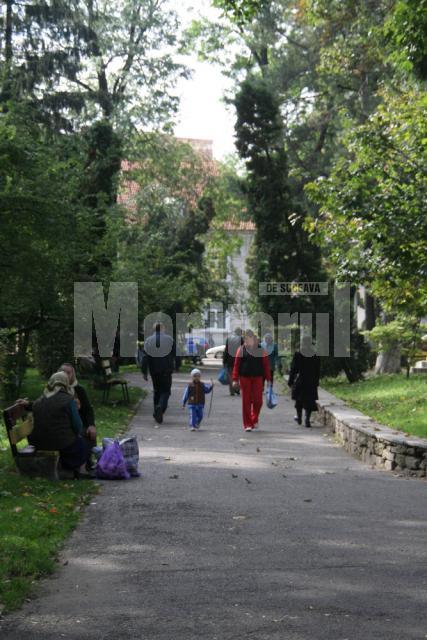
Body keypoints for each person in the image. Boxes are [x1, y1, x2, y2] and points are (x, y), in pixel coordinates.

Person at [28, 372, 89, 478]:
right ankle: (81, 471)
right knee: (81, 441)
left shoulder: (39, 400)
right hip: (62, 444)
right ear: (66, 383)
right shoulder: (68, 400)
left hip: (38, 443)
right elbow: (77, 426)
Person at [59, 363, 97, 468]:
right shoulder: (55, 389)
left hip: (79, 423)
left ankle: (88, 462)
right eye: (63, 372)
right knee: (78, 435)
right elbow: (43, 402)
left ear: (73, 375)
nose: (66, 375)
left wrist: (91, 425)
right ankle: (79, 465)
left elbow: (88, 410)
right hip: (64, 425)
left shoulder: (79, 390)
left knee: (90, 432)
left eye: (69, 373)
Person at [232, 329, 271, 432]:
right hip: (245, 378)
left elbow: (266, 365)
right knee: (246, 401)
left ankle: (254, 418)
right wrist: (235, 379)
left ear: (253, 338)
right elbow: (236, 365)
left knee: (258, 401)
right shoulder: (241, 350)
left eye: (249, 338)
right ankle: (248, 424)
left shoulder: (261, 350)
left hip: (258, 377)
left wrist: (269, 380)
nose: (247, 341)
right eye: (245, 339)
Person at [141, 322, 179, 424]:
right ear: (162, 329)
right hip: (166, 370)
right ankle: (160, 408)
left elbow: (144, 357)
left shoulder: (148, 341)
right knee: (166, 391)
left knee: (156, 391)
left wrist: (144, 372)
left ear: (154, 330)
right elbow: (177, 354)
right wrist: (177, 366)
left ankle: (156, 411)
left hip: (154, 371)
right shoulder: (169, 339)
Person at [288, 335, 320, 428]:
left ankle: (299, 417)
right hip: (311, 381)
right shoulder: (315, 355)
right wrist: (317, 381)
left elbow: (294, 369)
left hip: (301, 380)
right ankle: (307, 419)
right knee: (309, 400)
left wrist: (290, 381)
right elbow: (317, 370)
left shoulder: (298, 354)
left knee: (299, 400)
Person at [222, 327, 244, 396]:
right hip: (239, 360)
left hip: (229, 360)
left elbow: (226, 351)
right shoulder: (241, 339)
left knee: (230, 376)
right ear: (240, 332)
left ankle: (232, 391)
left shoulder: (229, 339)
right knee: (238, 376)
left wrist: (224, 361)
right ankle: (237, 389)